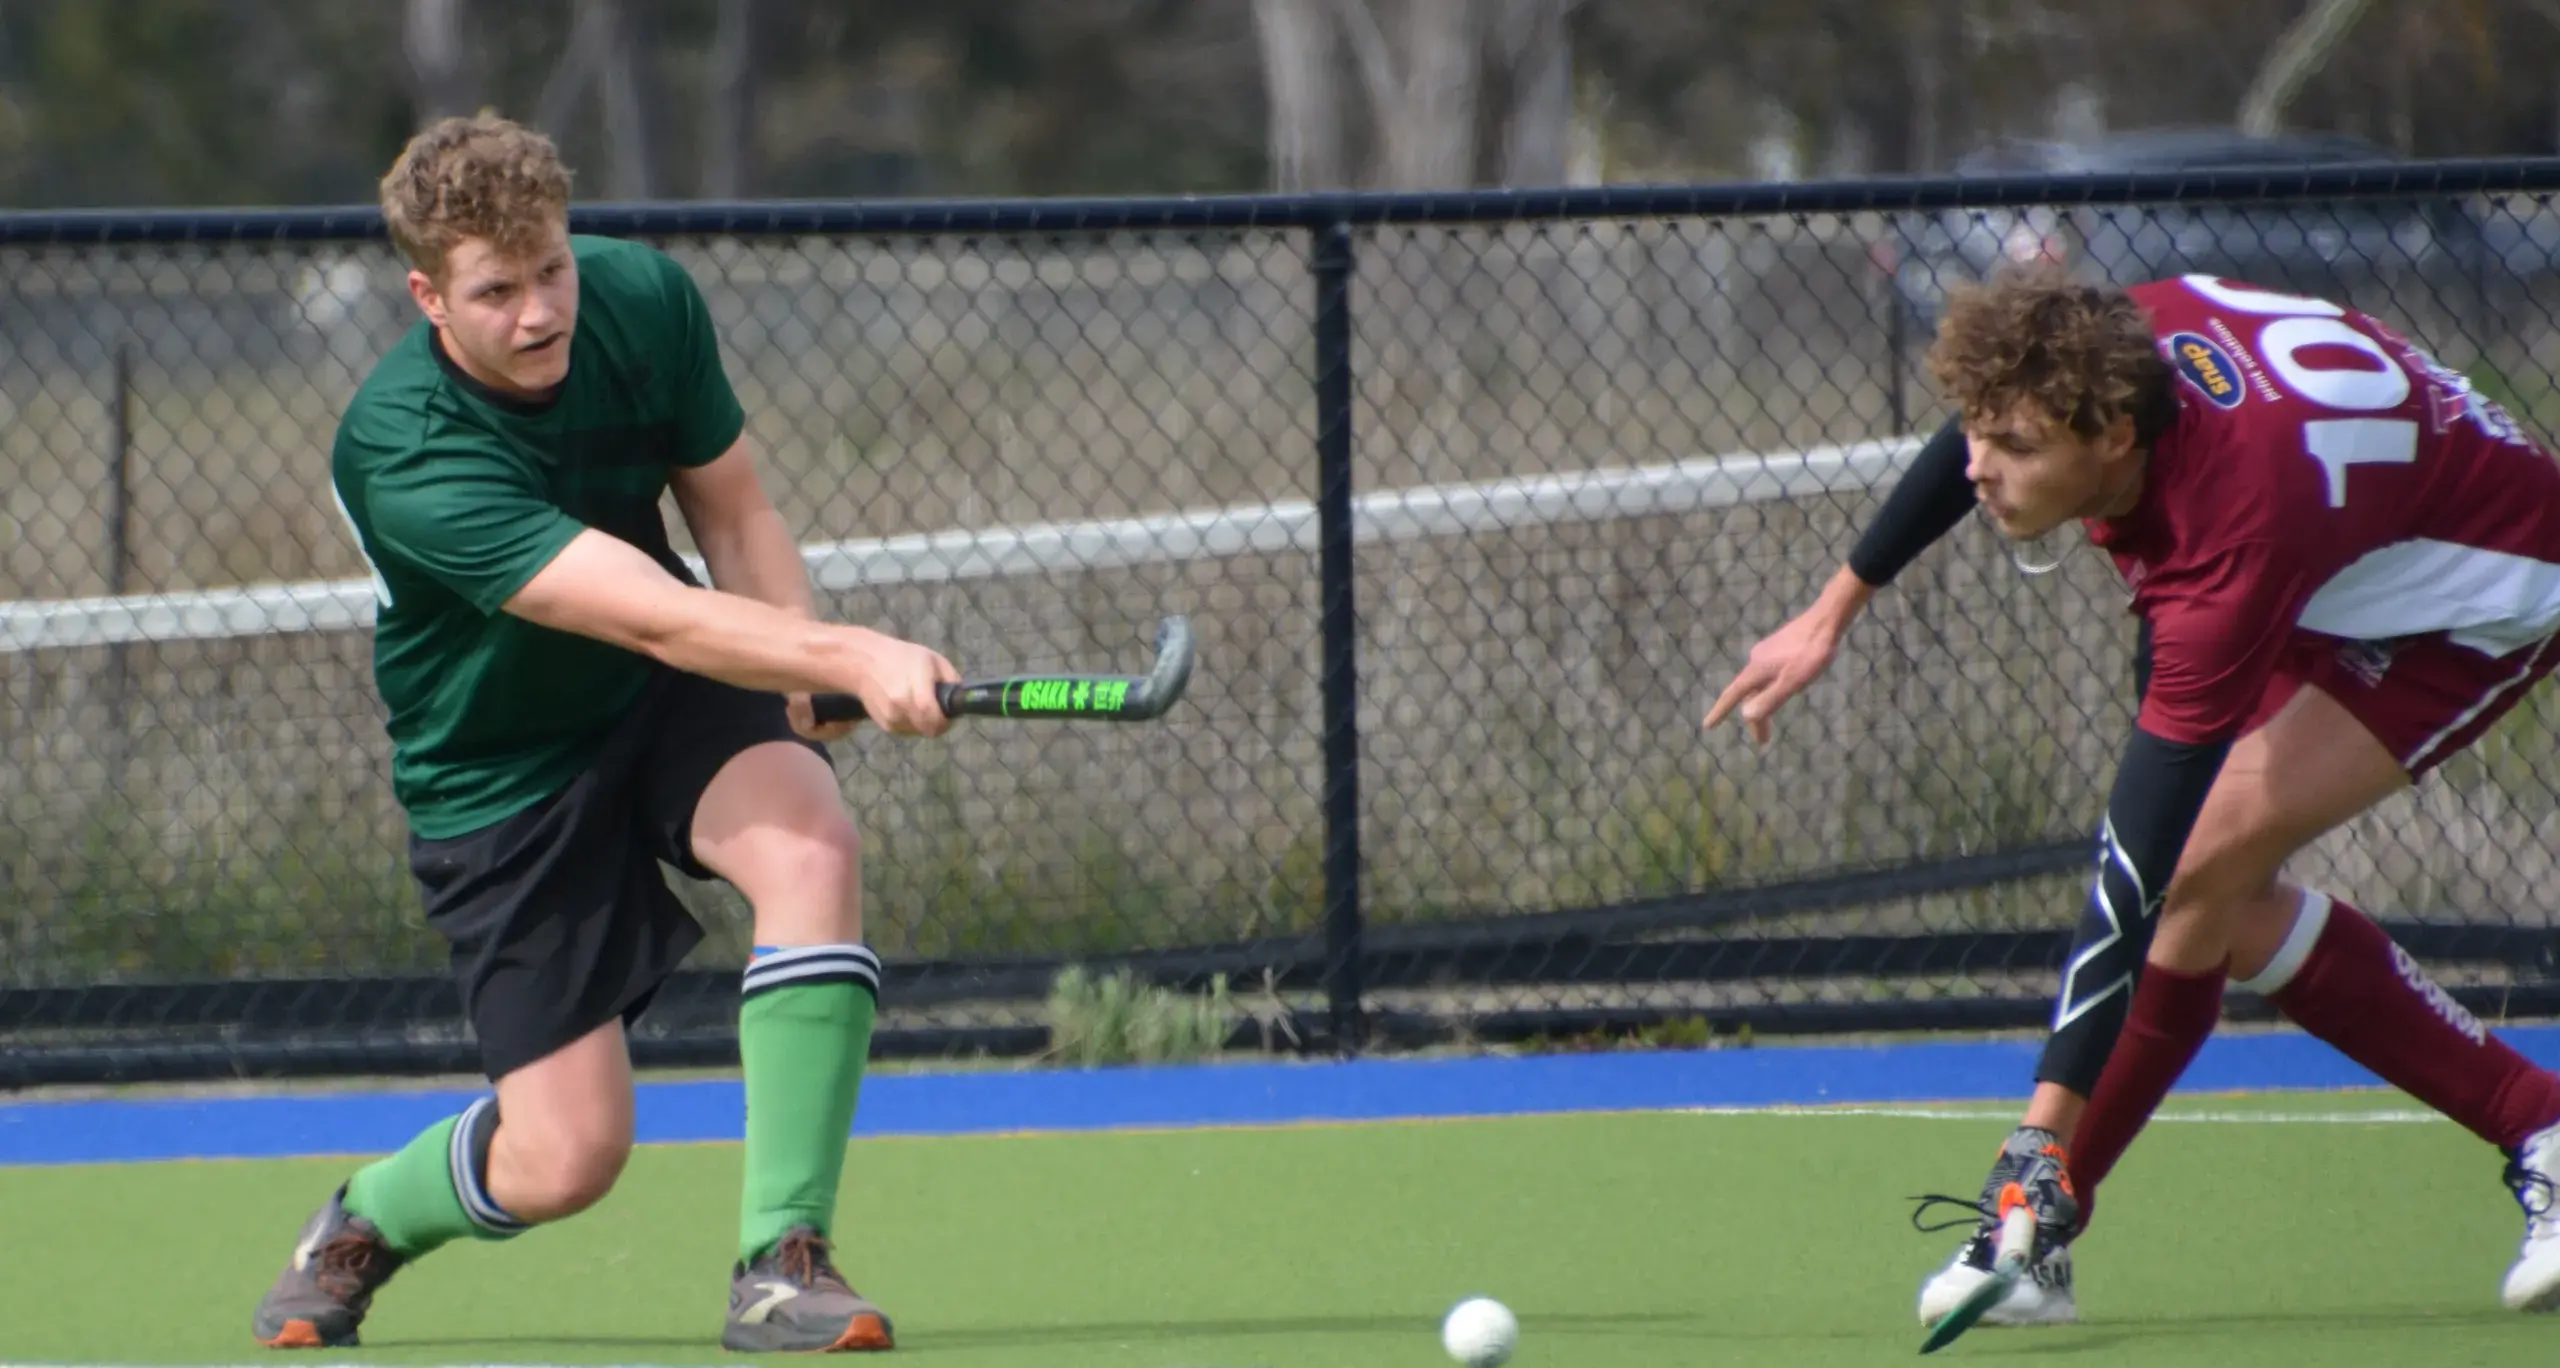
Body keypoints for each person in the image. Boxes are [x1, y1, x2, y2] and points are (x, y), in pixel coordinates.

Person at [1705, 265, 2560, 1326]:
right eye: (1981, 437)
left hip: (2482, 587)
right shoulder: (2102, 345)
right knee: (2220, 893)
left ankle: (2035, 1220)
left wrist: (2036, 1133)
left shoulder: (2225, 548)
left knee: (2192, 872)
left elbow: (2133, 868)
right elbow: (1982, 424)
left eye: (2016, 453)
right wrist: (1833, 609)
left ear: (2113, 438)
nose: (1982, 469)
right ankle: (2535, 1122)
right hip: (2342, 546)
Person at [250, 113, 959, 1354]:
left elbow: (731, 511)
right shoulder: (403, 446)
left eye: (552, 271)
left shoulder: (641, 300)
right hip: (501, 760)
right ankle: (364, 1219)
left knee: (811, 848)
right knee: (567, 1158)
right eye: (497, 291)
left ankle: (783, 1263)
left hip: (660, 692)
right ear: (427, 296)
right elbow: (655, 614)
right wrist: (848, 652)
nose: (539, 313)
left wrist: (795, 653)